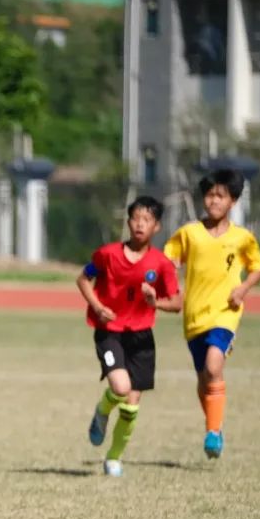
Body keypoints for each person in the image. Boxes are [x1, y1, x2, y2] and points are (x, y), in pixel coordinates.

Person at [164, 169, 260, 459]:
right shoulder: (189, 233)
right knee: (202, 378)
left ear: (232, 201)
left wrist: (243, 289)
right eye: (209, 195)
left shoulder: (242, 238)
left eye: (220, 196)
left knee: (213, 366)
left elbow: (258, 267)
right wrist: (167, 277)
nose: (213, 201)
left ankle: (212, 431)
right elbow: (169, 258)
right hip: (195, 314)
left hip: (226, 312)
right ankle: (215, 428)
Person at [77, 196, 181, 477]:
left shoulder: (161, 264)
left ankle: (113, 458)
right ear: (128, 222)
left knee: (131, 408)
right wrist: (98, 306)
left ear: (156, 227)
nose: (139, 224)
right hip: (109, 332)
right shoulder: (107, 254)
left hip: (141, 338)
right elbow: (83, 279)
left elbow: (177, 303)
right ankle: (101, 411)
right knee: (120, 388)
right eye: (135, 218)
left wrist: (154, 302)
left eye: (146, 220)